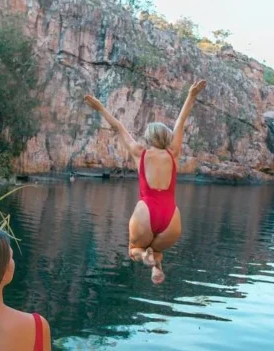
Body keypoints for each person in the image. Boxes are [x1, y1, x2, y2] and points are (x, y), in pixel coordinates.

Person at [83, 79, 206, 284]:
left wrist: (100, 107)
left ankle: (143, 257)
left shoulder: (139, 153)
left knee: (133, 250)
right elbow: (181, 122)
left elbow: (118, 126)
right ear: (167, 138)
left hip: (146, 210)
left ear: (148, 137)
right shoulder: (173, 153)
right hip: (171, 216)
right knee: (157, 250)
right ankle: (156, 266)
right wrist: (191, 96)